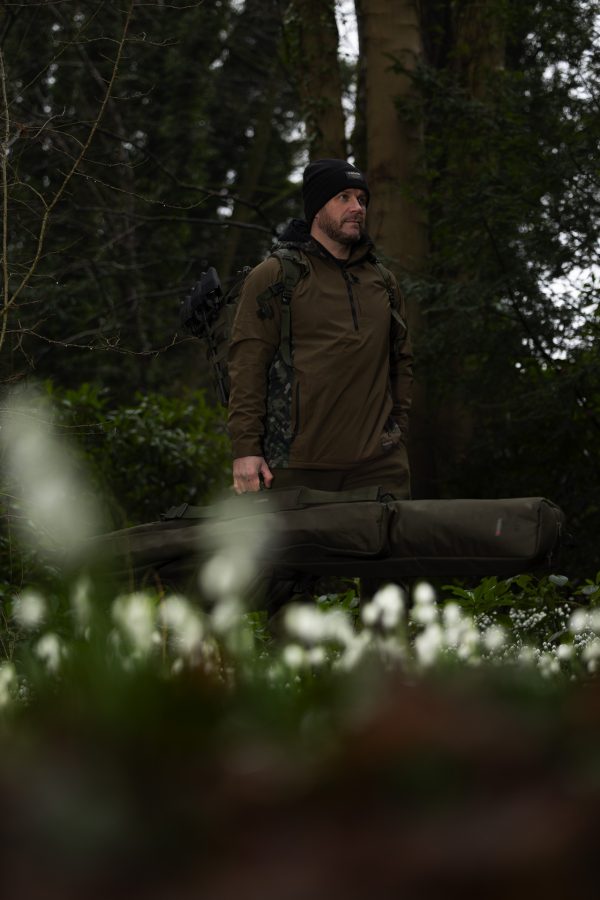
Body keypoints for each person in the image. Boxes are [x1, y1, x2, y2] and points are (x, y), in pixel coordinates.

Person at [228, 157, 413, 503]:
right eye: (344, 197)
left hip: (379, 467)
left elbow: (401, 361)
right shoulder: (275, 276)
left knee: (391, 540)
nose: (357, 208)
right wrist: (246, 449)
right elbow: (247, 365)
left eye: (362, 199)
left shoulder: (383, 282)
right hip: (297, 466)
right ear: (316, 209)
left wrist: (396, 432)